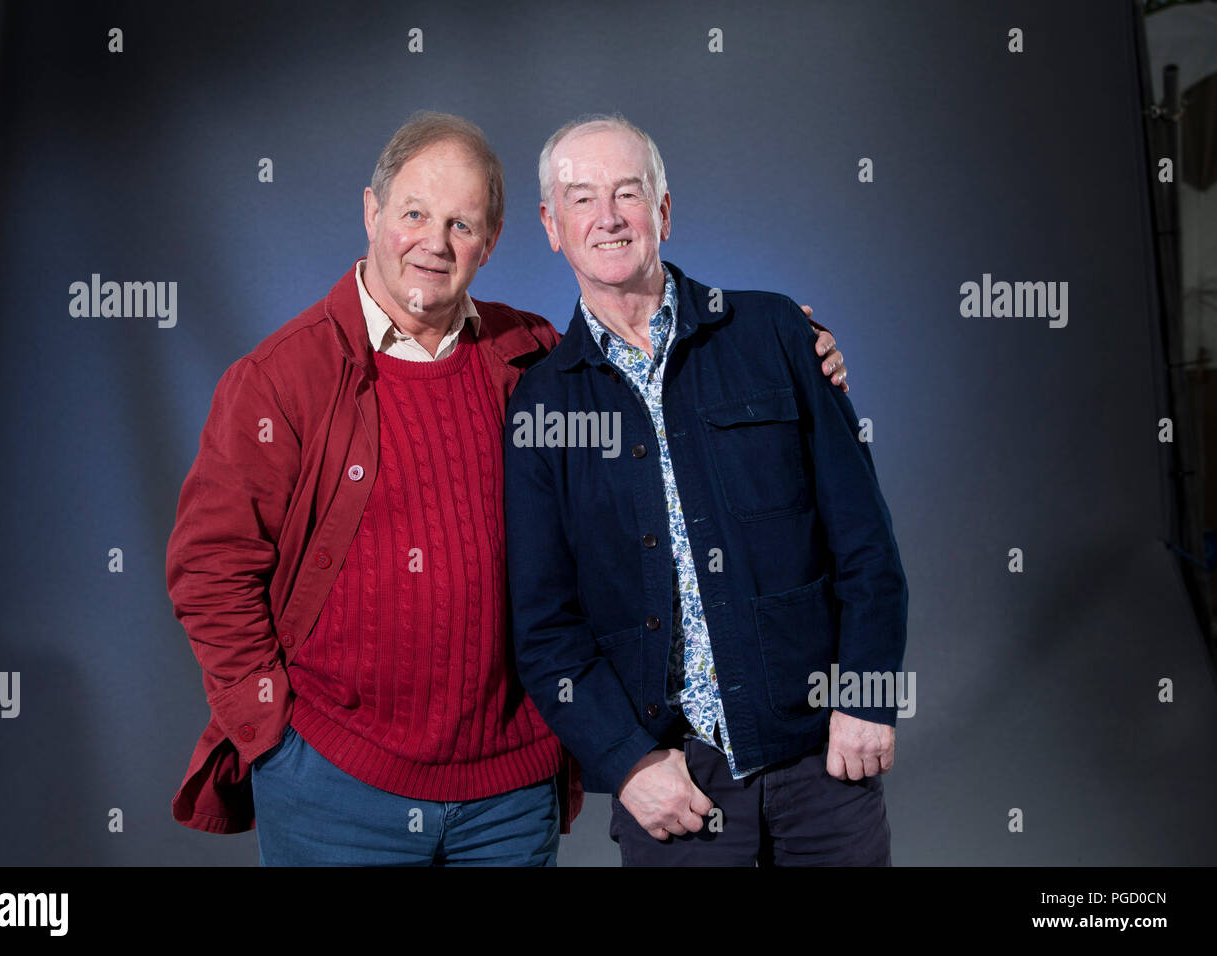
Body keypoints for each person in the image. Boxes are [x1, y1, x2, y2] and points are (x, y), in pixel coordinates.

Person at [167, 110, 851, 866]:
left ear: (492, 242)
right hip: (335, 783)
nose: (434, 243)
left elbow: (659, 391)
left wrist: (791, 350)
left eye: (462, 224)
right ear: (372, 212)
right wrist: (273, 739)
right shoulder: (280, 379)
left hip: (507, 790)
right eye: (415, 214)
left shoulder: (533, 360)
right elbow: (209, 569)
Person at [504, 113, 908, 866]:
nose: (609, 217)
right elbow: (544, 628)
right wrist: (625, 761)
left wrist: (869, 695)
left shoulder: (775, 334)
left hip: (823, 750)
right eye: (582, 198)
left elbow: (865, 542)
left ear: (662, 210)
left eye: (629, 192)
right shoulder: (541, 406)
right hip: (673, 780)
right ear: (551, 226)